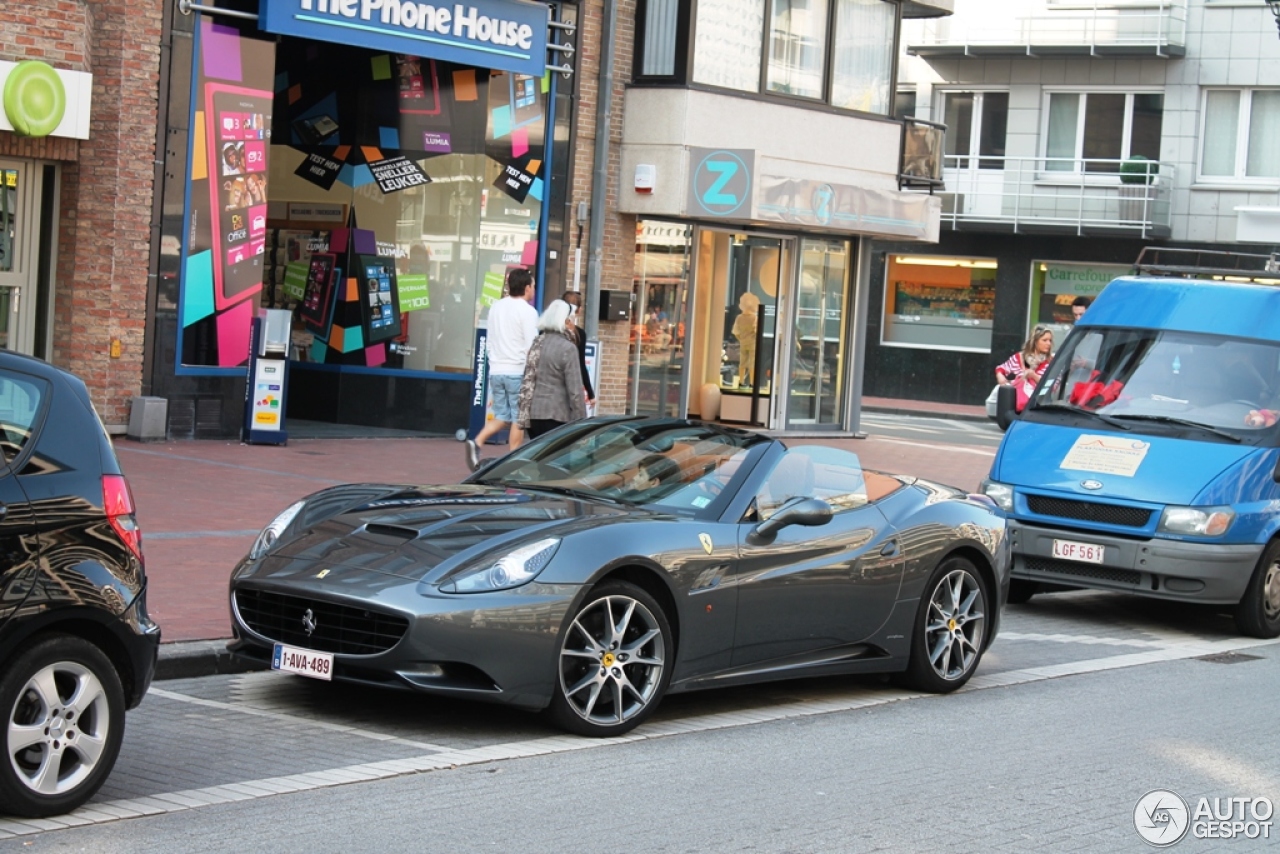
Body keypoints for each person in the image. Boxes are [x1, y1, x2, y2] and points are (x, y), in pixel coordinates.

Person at [467, 268, 537, 468]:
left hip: (496, 370)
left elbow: (489, 341)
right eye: (532, 286)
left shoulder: (496, 307)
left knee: (501, 416)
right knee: (519, 418)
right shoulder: (528, 312)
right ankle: (513, 460)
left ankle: (476, 442)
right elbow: (531, 345)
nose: (533, 289)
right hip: (517, 370)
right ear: (526, 288)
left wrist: (495, 360)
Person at [515, 300, 587, 440]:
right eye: (572, 320)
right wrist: (582, 422)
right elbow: (575, 391)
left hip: (533, 414)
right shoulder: (568, 348)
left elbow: (528, 378)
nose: (573, 325)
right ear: (565, 322)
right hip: (557, 416)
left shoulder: (537, 343)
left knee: (538, 460)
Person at [996, 325, 1054, 412]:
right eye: (1045, 340)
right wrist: (1000, 376)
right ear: (1035, 341)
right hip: (1017, 410)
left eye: (1050, 340)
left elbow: (1053, 387)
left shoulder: (1052, 362)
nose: (1048, 343)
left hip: (1039, 410)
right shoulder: (1019, 358)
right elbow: (1001, 368)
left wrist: (1034, 376)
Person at [559, 290, 596, 409]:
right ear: (579, 310)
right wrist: (590, 393)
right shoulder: (579, 334)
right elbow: (581, 364)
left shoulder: (547, 329)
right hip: (571, 385)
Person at [732, 292, 761, 386]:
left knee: (742, 363)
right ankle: (752, 382)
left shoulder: (739, 318)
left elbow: (735, 332)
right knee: (752, 363)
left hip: (743, 343)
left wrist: (741, 339)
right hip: (752, 343)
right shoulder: (754, 317)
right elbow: (756, 330)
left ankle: (741, 381)